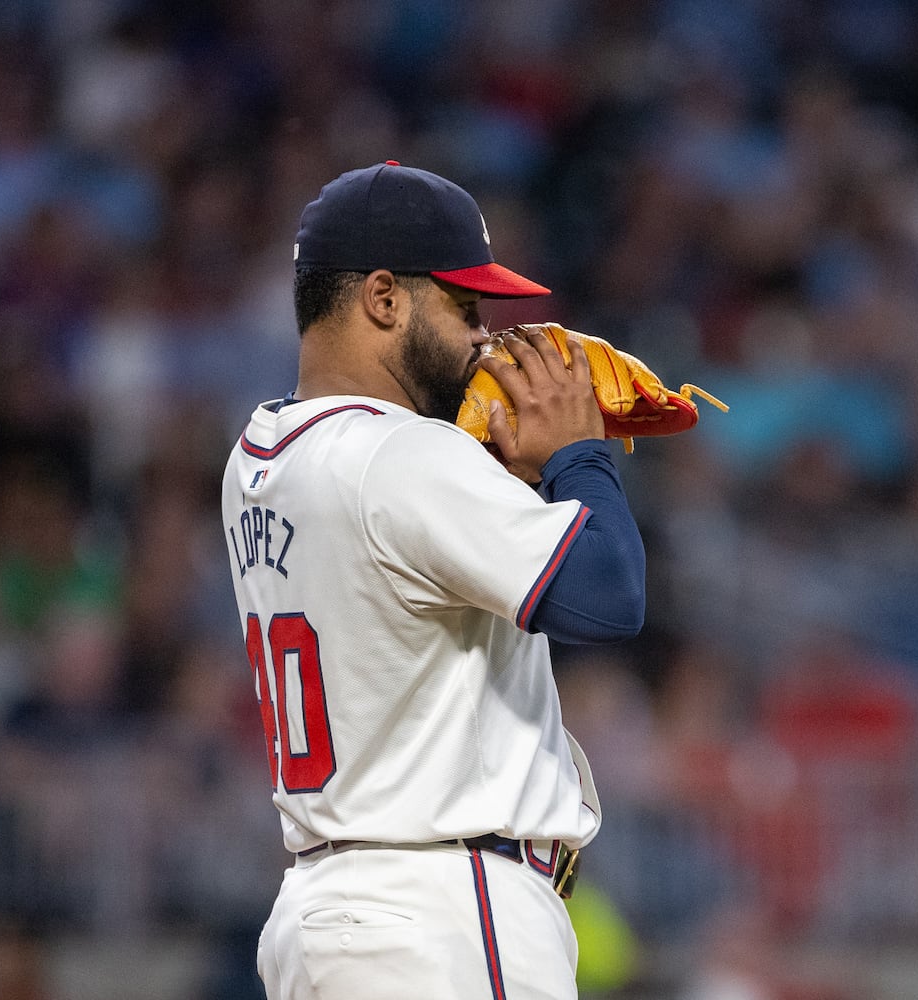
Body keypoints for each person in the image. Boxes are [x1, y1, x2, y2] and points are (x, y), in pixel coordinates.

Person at [222, 160, 647, 1000]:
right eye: (463, 307)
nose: (484, 337)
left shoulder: (257, 456)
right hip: (441, 915)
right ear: (384, 298)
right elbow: (608, 595)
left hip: (325, 919)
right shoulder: (404, 455)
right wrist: (578, 454)